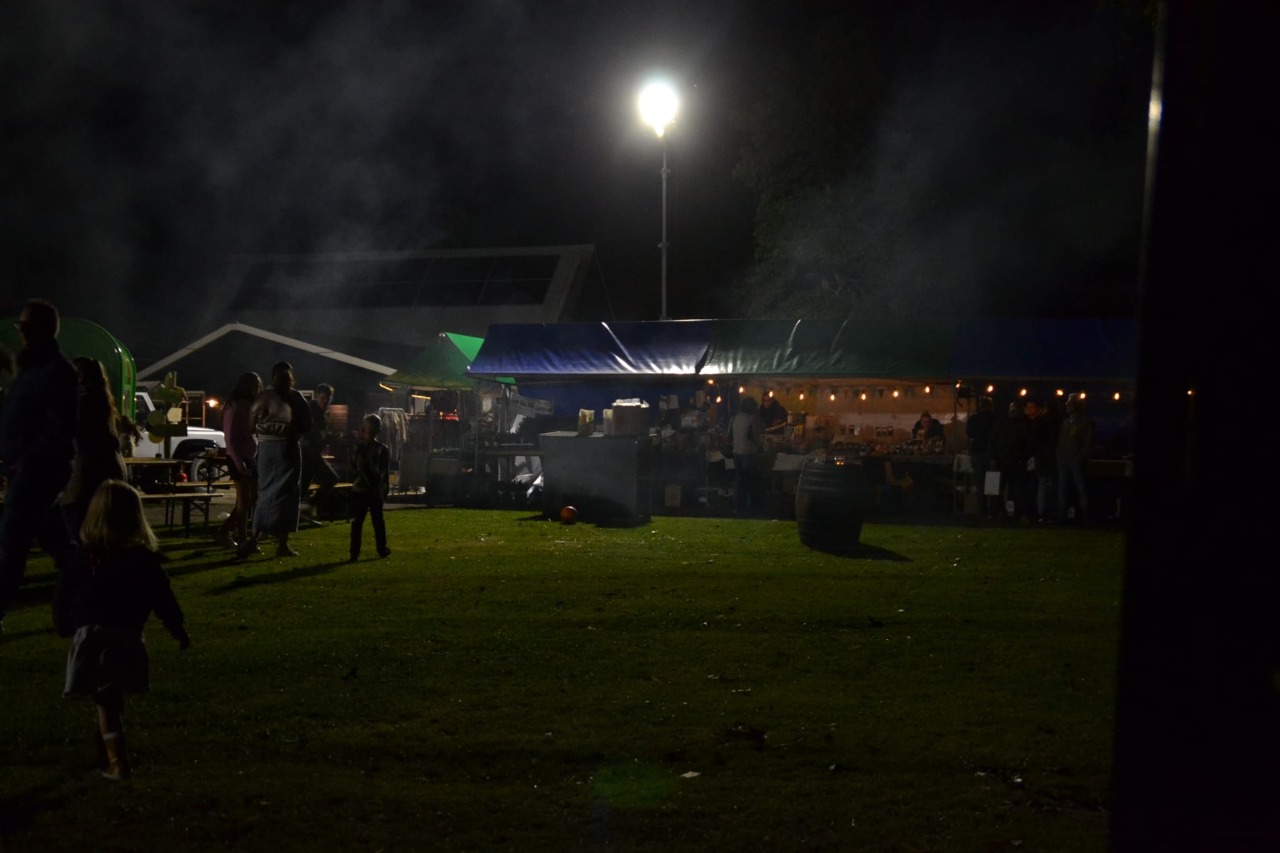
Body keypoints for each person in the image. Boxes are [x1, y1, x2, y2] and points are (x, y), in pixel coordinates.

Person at [63, 480, 190, 780]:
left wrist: (64, 622)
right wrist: (177, 629)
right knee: (110, 697)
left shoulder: (86, 558)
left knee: (105, 701)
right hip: (128, 635)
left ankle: (117, 762)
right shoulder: (144, 561)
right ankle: (107, 751)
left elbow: (64, 593)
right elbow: (163, 599)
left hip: (95, 637)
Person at [0, 299, 79, 631]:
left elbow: (61, 427)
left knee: (11, 543)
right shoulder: (33, 369)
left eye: (26, 327)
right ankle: (91, 582)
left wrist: (26, 462)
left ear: (43, 329)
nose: (21, 333)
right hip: (29, 468)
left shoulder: (57, 372)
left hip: (38, 472)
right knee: (59, 544)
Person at [61, 357, 128, 539]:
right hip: (108, 471)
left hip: (90, 475)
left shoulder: (85, 403)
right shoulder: (102, 401)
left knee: (79, 529)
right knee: (103, 530)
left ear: (81, 376)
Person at [250, 362, 312, 558]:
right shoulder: (296, 398)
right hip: (287, 447)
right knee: (288, 495)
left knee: (265, 492)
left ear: (273, 377)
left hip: (265, 448)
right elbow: (308, 425)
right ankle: (282, 544)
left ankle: (254, 538)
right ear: (291, 378)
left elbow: (250, 424)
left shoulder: (263, 397)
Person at [221, 372, 262, 557]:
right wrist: (238, 462)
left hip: (250, 457)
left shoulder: (251, 405)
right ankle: (243, 538)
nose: (257, 388)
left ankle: (225, 530)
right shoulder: (234, 406)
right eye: (254, 385)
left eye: (258, 385)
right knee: (243, 500)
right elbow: (229, 438)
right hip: (238, 457)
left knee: (253, 498)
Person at [349, 414, 391, 562]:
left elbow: (354, 467)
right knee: (377, 521)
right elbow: (384, 472)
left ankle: (354, 552)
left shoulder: (358, 448)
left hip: (360, 489)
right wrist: (383, 488)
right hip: (374, 490)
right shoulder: (382, 449)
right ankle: (381, 548)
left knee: (357, 522)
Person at [299, 382, 339, 526]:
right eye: (323, 398)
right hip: (308, 454)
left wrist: (330, 438)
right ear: (316, 397)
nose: (325, 402)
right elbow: (309, 433)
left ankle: (302, 512)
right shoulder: (311, 410)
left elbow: (321, 435)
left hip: (312, 454)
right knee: (331, 478)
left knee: (302, 487)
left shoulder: (322, 413)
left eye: (328, 399)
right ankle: (306, 507)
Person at [1056, 393, 1095, 524]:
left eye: (1069, 403)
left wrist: (1081, 457)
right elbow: (1062, 441)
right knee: (1064, 489)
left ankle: (1085, 517)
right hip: (1065, 459)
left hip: (1076, 460)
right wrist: (1060, 455)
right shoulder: (1066, 422)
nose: (1067, 405)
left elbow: (1087, 442)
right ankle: (1062, 517)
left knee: (1081, 489)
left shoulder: (1084, 422)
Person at [991, 400, 1029, 521]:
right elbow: (994, 441)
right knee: (999, 489)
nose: (1012, 411)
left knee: (1016, 489)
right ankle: (1001, 512)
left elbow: (1026, 444)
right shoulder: (1003, 425)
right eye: (1011, 409)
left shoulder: (1023, 426)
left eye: (1014, 409)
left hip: (1015, 461)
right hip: (1004, 461)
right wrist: (994, 457)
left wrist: (1023, 458)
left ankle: (1016, 512)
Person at [1024, 398, 1059, 522]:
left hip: (1040, 457)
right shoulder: (1054, 422)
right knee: (1049, 484)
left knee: (1041, 484)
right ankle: (1048, 511)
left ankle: (1041, 512)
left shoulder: (1039, 423)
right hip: (1048, 457)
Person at [729, 396, 762, 516]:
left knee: (739, 480)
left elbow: (729, 435)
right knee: (751, 481)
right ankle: (753, 507)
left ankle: (738, 506)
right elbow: (755, 437)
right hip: (748, 452)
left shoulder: (735, 417)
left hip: (736, 452)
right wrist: (760, 446)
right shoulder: (751, 419)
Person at [965, 396, 997, 518]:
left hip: (977, 452)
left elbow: (969, 433)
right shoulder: (994, 419)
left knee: (980, 484)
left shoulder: (974, 419)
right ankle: (992, 509)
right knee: (992, 483)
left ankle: (983, 510)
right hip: (991, 453)